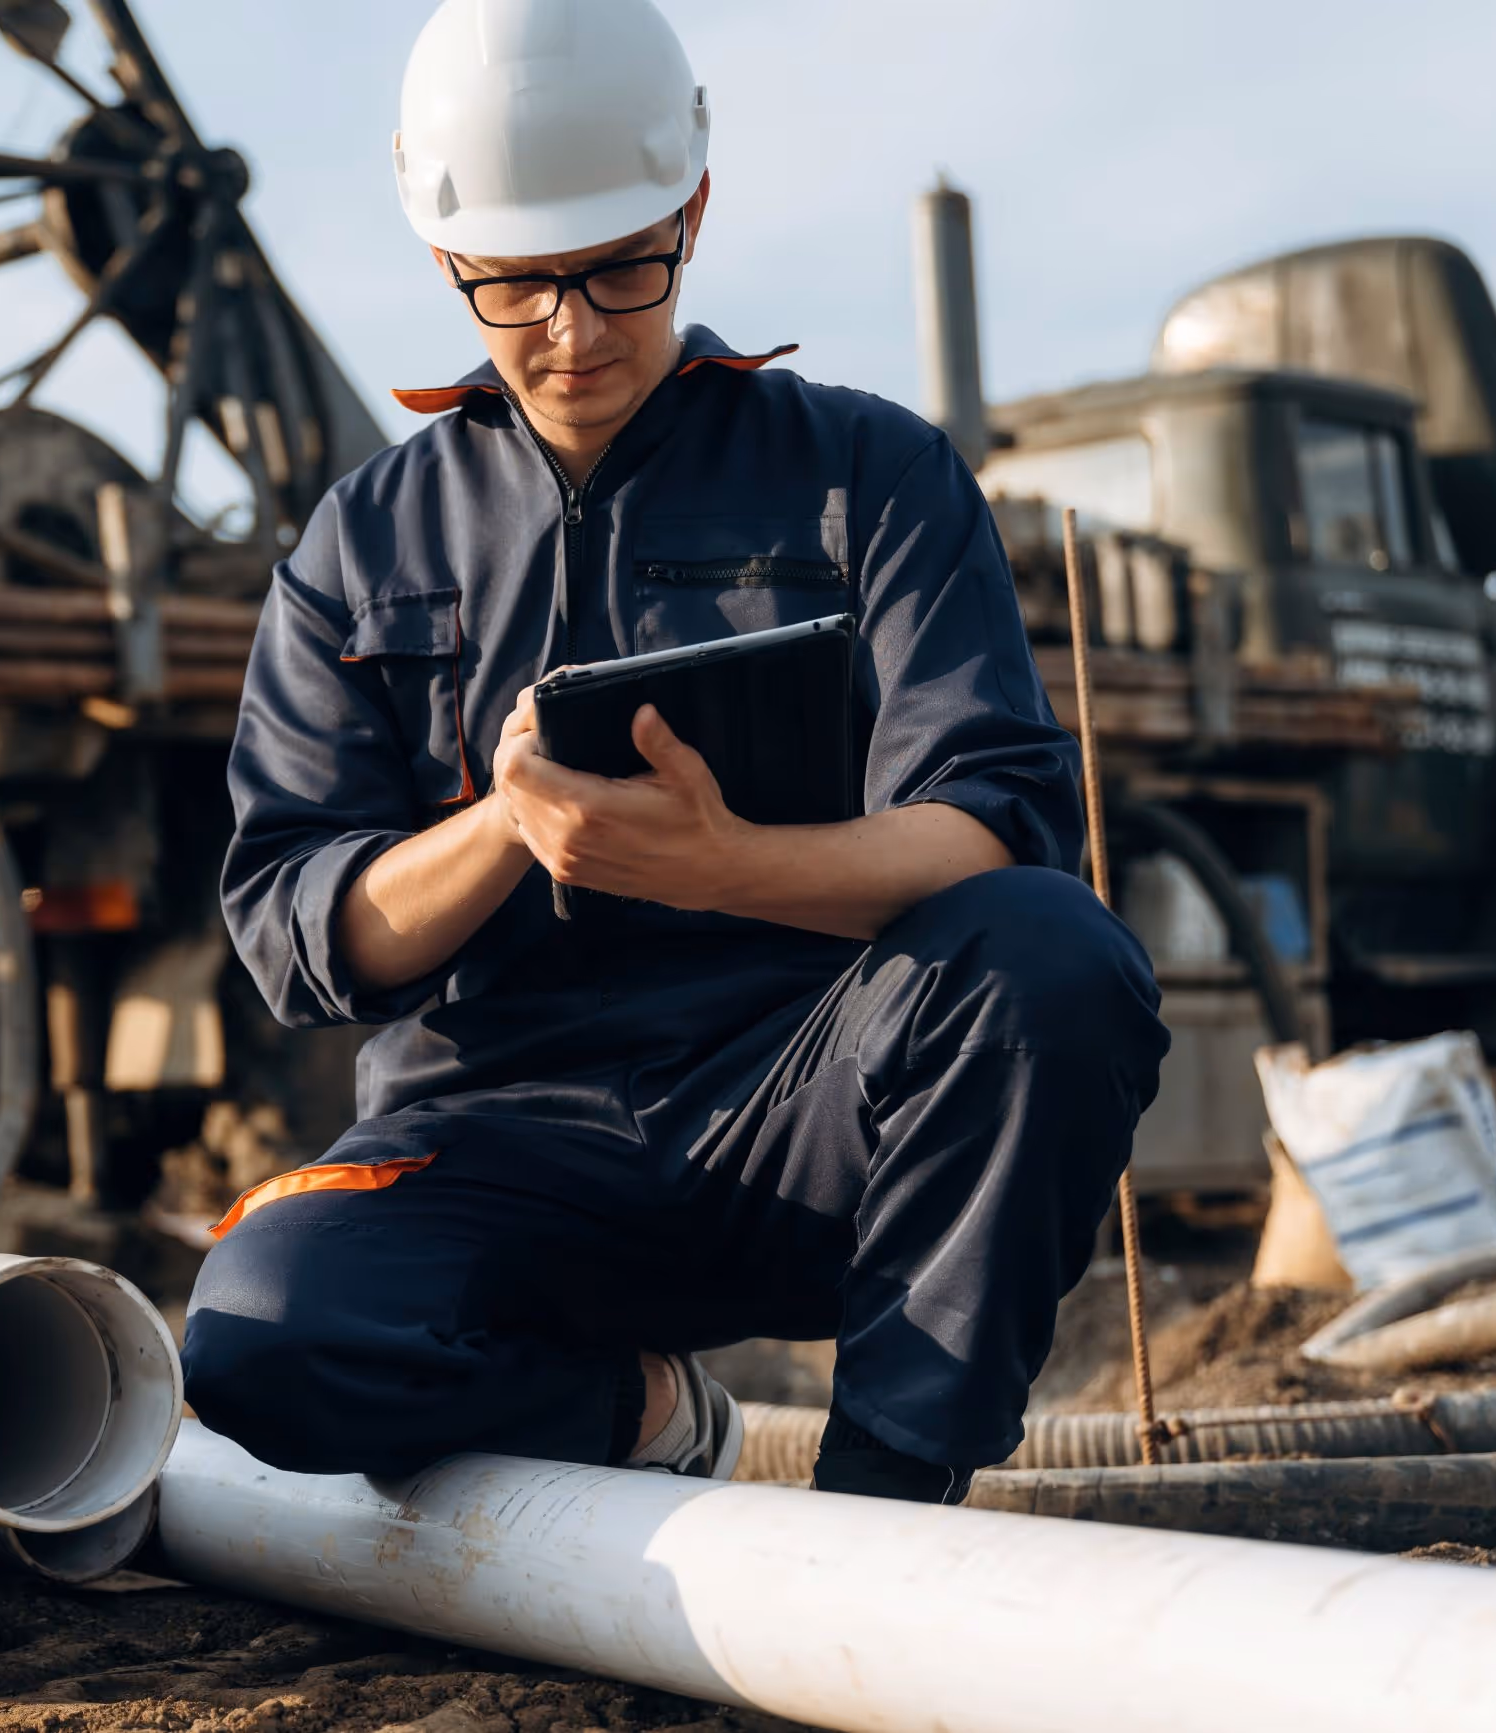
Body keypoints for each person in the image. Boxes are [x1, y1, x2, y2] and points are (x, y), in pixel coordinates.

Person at [183, 0, 1168, 1504]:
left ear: (693, 208)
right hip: (494, 1138)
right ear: (448, 258)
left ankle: (883, 1513)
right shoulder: (361, 541)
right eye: (519, 285)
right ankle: (644, 1418)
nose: (574, 331)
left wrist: (728, 868)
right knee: (262, 1333)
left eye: (622, 269)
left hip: (803, 1108)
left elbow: (990, 824)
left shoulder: (866, 475)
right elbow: (296, 936)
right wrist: (506, 825)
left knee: (1054, 956)